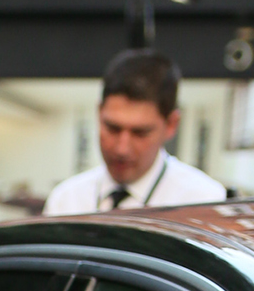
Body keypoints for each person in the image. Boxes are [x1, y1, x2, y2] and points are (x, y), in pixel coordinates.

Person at [43, 49, 225, 215]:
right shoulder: (66, 201)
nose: (122, 149)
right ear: (99, 113)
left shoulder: (204, 203)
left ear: (171, 124)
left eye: (140, 133)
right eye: (113, 128)